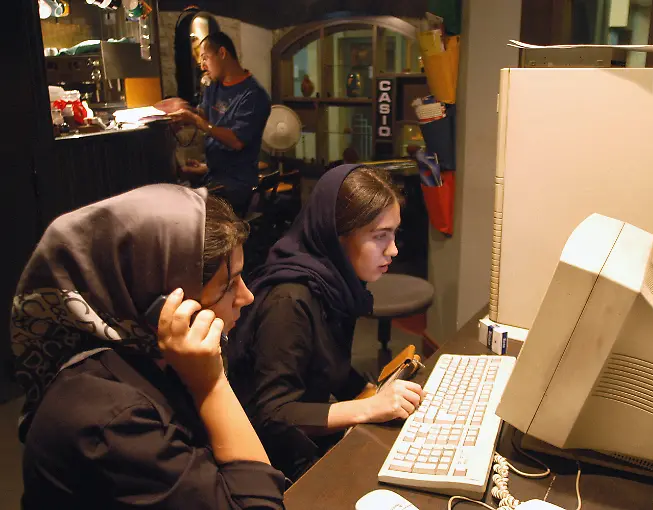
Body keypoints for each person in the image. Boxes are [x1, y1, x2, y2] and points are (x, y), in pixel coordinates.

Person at [13, 184, 285, 509]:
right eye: (228, 285)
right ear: (160, 302)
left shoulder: (150, 357)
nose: (247, 297)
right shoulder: (111, 418)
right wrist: (211, 384)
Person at [228, 164, 425, 480]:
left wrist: (368, 389)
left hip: (305, 439)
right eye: (380, 237)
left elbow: (325, 359)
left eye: (394, 234)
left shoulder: (335, 285)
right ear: (338, 237)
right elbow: (273, 414)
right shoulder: (289, 301)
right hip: (276, 463)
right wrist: (369, 407)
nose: (394, 250)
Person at [166, 31, 271, 216]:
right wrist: (182, 112)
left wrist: (196, 121)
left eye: (205, 58)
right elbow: (206, 116)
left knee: (188, 215)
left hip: (236, 183)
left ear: (222, 53)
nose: (202, 65)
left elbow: (237, 141)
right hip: (213, 174)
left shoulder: (253, 95)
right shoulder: (214, 86)